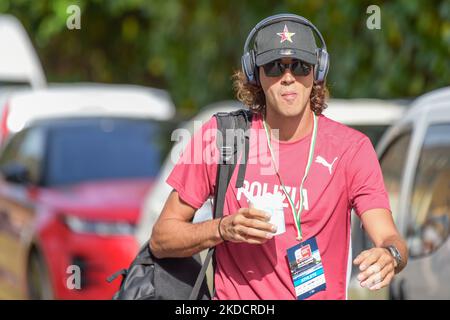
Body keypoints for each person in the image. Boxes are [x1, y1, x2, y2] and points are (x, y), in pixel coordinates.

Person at [150, 13, 408, 300]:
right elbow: (162, 238)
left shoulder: (351, 148)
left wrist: (390, 255)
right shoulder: (220, 137)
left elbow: (389, 237)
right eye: (274, 67)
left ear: (317, 71)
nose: (288, 78)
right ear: (254, 74)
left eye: (299, 66)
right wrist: (222, 228)